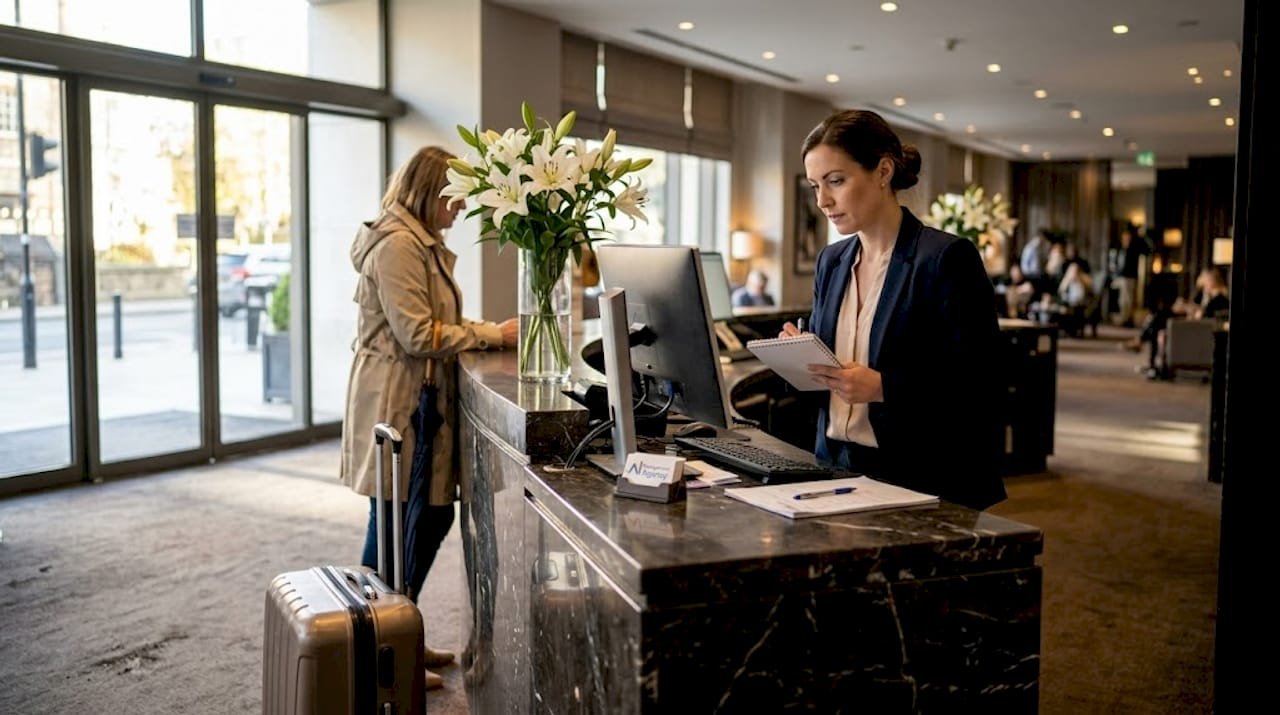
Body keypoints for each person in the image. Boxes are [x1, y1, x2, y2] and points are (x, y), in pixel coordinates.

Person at [339, 146, 518, 690]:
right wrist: (492, 334)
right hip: (399, 402)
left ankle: (398, 633)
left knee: (425, 517)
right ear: (431, 191)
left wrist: (485, 329)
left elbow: (437, 321)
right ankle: (379, 651)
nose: (462, 209)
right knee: (397, 523)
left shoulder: (417, 243)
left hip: (414, 398)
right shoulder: (397, 246)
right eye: (457, 197)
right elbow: (418, 334)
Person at [779, 109, 1005, 511]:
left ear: (883, 171)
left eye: (836, 181)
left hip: (922, 476)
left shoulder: (946, 259)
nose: (822, 201)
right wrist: (800, 357)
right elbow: (832, 375)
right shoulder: (831, 261)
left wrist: (884, 388)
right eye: (816, 186)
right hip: (834, 467)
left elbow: (982, 383)